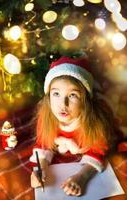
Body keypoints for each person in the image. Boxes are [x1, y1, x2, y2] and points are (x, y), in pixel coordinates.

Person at [29, 56, 116, 196]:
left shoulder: (94, 124)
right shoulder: (47, 117)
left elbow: (97, 152)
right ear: (48, 96)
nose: (63, 104)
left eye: (72, 95)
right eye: (56, 93)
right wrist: (41, 168)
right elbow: (43, 143)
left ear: (85, 100)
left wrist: (82, 177)